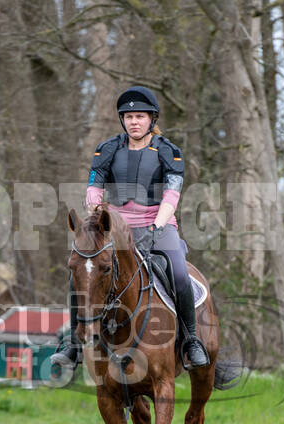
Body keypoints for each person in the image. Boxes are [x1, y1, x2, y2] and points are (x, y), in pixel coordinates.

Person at [52, 85, 209, 369]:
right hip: (115, 227)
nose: (134, 121)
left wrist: (157, 225)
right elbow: (94, 186)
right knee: (80, 270)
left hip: (157, 226)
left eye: (140, 116)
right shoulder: (108, 149)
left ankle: (191, 340)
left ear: (152, 119)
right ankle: (74, 344)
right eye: (128, 117)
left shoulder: (168, 152)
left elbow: (172, 195)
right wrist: (95, 207)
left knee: (179, 274)